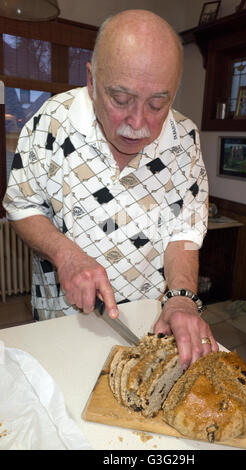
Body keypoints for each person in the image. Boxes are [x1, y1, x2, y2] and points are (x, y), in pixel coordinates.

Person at [3, 9, 218, 369]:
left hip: (149, 324)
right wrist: (66, 255)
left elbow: (183, 230)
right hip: (61, 317)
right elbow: (22, 205)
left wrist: (181, 299)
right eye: (120, 99)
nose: (138, 124)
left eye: (157, 103)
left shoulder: (185, 139)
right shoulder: (49, 123)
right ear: (91, 80)